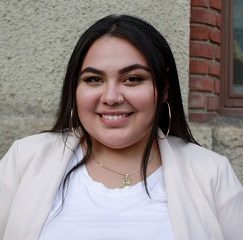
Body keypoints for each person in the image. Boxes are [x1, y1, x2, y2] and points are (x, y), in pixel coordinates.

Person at [0, 14, 242, 240]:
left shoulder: (211, 172)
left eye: (132, 79)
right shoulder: (25, 160)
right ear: (75, 88)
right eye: (94, 79)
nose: (112, 97)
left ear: (165, 87)